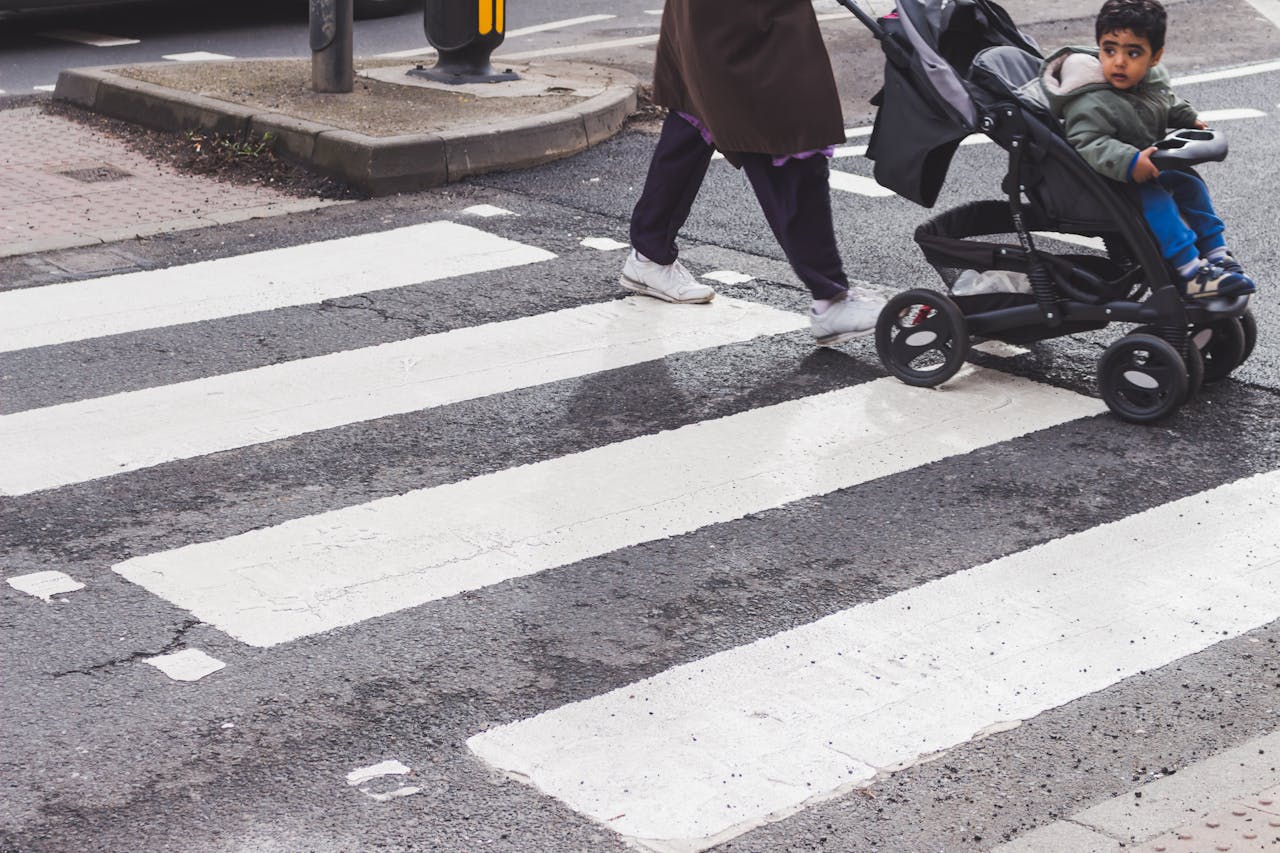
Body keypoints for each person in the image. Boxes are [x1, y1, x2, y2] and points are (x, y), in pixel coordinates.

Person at [619, 0, 887, 346]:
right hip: (747, 18)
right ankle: (830, 298)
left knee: (698, 107)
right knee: (784, 127)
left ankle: (650, 253)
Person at [1039, 0, 1255, 300]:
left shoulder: (1148, 82)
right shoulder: (1089, 101)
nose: (1118, 62)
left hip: (1145, 169)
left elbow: (1163, 101)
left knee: (1189, 183)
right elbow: (1089, 142)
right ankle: (1191, 273)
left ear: (1155, 58)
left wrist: (1186, 116)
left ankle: (1217, 252)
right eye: (1109, 49)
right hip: (1108, 181)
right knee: (1158, 202)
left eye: (1133, 53)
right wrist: (1128, 160)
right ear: (1098, 47)